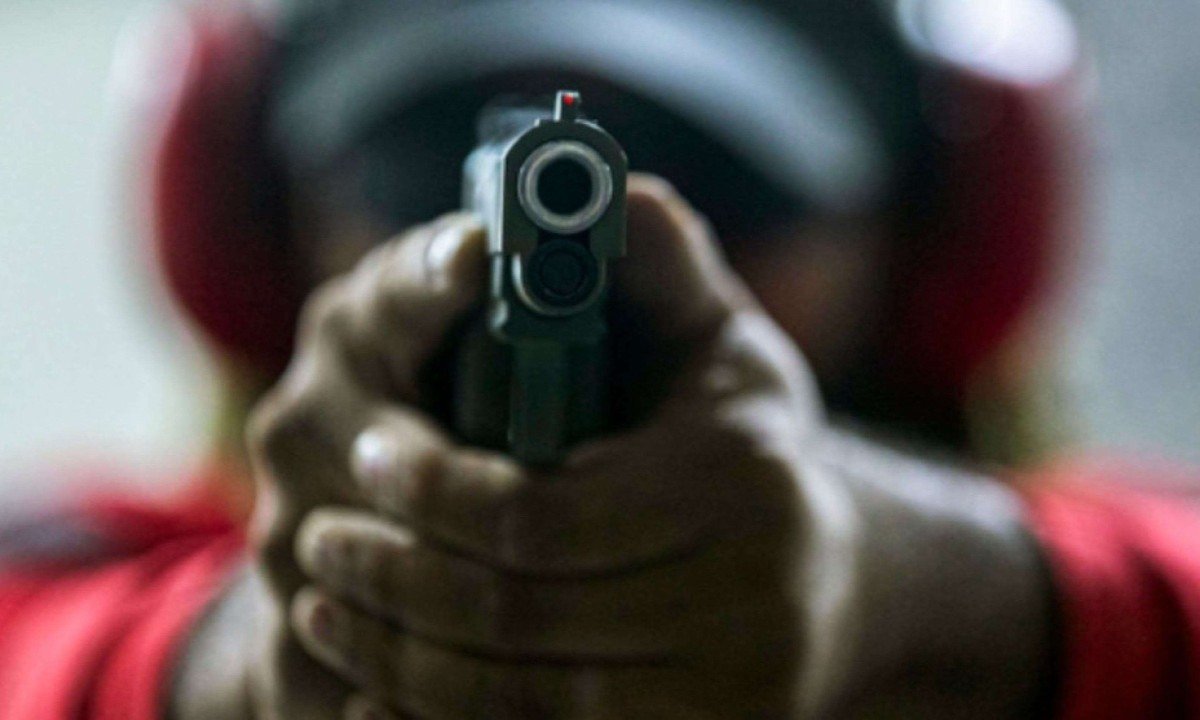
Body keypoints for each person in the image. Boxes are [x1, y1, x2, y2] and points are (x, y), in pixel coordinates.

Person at [1, 0, 1198, 718]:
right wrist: (253, 658)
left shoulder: (1101, 552)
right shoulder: (82, 559)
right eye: (413, 164)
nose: (600, 237)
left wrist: (915, 589)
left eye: (715, 168)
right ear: (259, 208)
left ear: (928, 229)